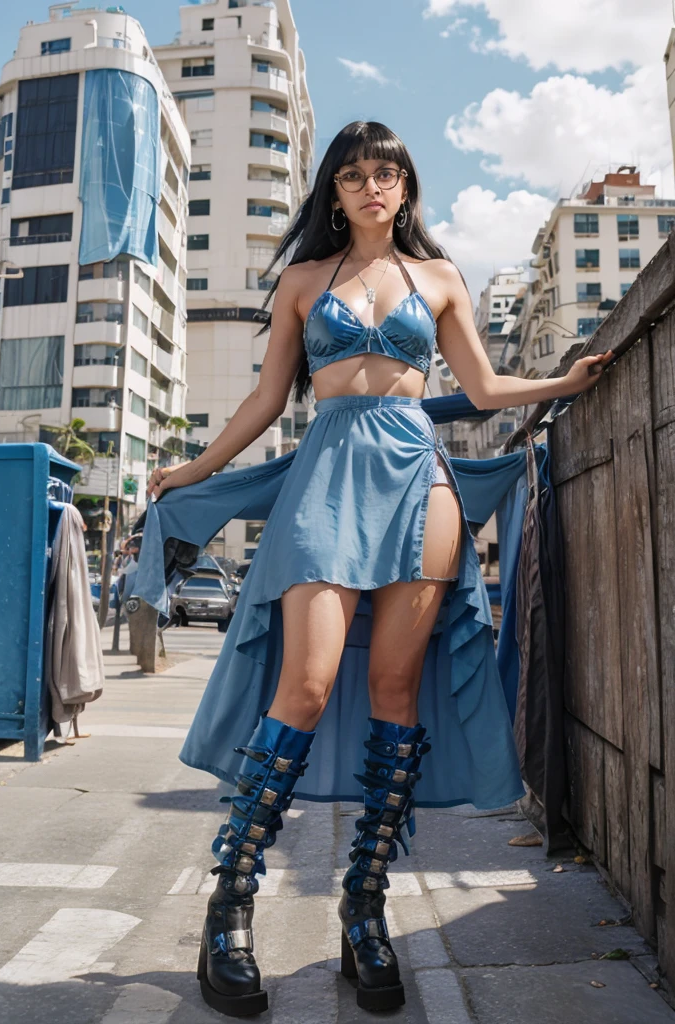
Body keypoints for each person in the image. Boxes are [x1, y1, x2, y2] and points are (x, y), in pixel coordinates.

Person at [142, 122, 612, 1017]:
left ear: (405, 187)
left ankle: (364, 912)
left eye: (386, 173)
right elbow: (265, 399)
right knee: (307, 687)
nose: (371, 187)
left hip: (417, 481)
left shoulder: (436, 279)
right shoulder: (301, 282)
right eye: (354, 175)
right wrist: (195, 469)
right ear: (334, 189)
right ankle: (229, 908)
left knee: (397, 690)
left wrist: (562, 383)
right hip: (325, 478)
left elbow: (478, 390)